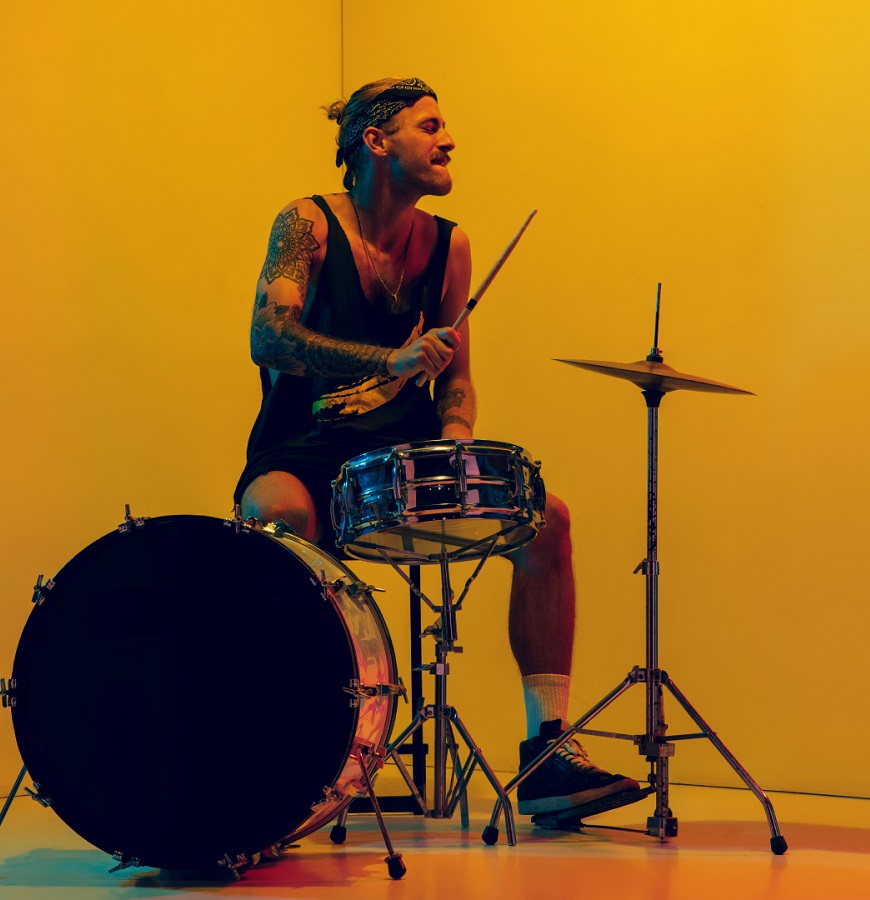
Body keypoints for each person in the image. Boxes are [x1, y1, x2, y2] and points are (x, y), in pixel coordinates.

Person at [233, 76, 639, 816]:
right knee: (274, 515)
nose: (449, 140)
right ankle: (275, 740)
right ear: (376, 141)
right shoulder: (306, 222)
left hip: (405, 453)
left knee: (547, 520)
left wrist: (455, 437)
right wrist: (386, 360)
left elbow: (456, 379)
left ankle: (549, 751)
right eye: (430, 126)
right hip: (306, 446)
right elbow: (270, 337)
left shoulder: (450, 245)